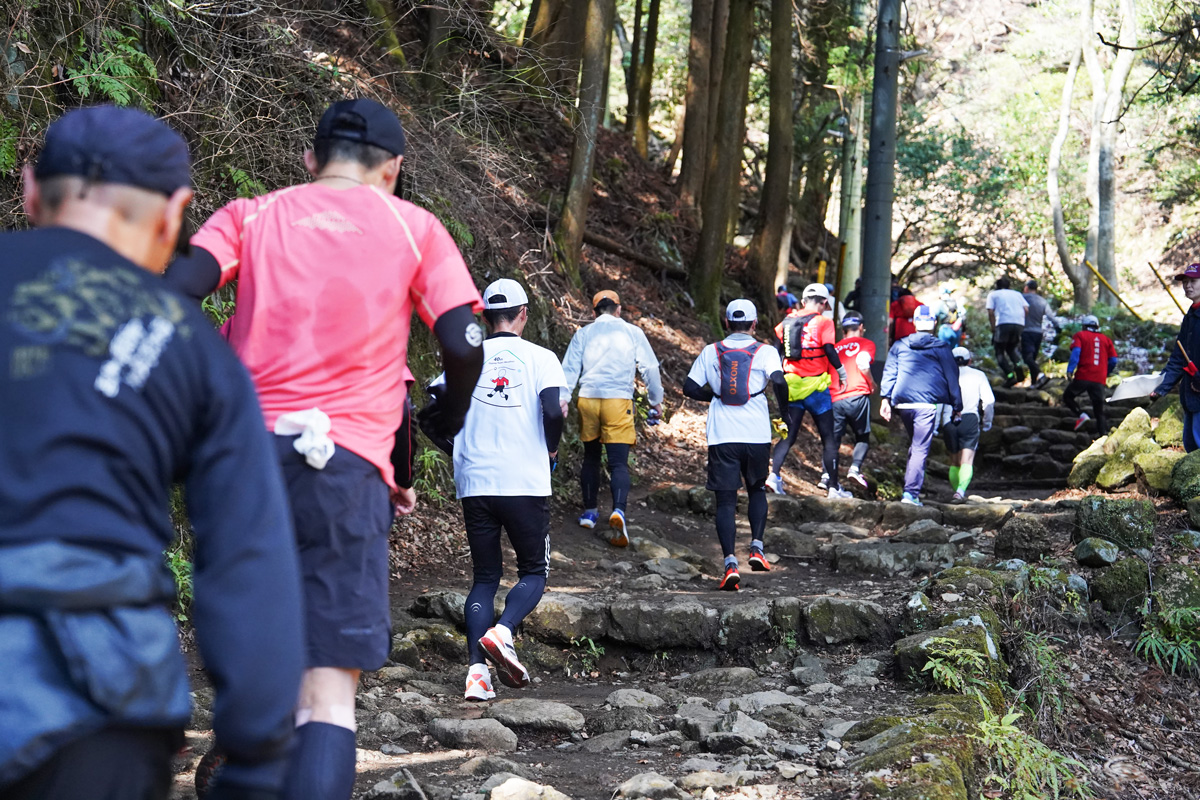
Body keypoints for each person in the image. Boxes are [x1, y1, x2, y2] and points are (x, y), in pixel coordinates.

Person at [170, 98, 485, 800]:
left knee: (252, 674)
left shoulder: (251, 215)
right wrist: (448, 418)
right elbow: (464, 342)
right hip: (344, 468)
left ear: (309, 160)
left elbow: (173, 291)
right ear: (395, 169)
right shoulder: (415, 229)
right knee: (325, 695)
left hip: (241, 461)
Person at [0, 106, 305, 800]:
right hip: (97, 703)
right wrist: (257, 757)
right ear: (175, 214)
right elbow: (246, 559)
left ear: (29, 189)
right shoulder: (189, 347)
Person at [426, 280, 566, 701]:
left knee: (485, 576)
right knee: (534, 572)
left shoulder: (466, 358)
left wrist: (458, 449)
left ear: (485, 317)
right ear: (524, 313)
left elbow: (430, 411)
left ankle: (476, 676)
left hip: (476, 482)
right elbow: (551, 409)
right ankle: (503, 633)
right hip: (524, 479)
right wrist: (552, 447)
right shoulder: (541, 358)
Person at [684, 299, 790, 590]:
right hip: (756, 435)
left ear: (727, 323)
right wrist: (785, 412)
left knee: (726, 500)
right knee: (756, 489)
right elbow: (779, 382)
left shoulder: (711, 351)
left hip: (722, 435)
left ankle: (730, 563)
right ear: (754, 324)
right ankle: (757, 547)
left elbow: (689, 387)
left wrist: (716, 397)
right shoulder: (765, 351)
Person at [561, 289, 663, 546]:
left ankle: (589, 512)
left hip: (588, 399)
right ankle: (618, 510)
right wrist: (656, 401)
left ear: (594, 312)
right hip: (618, 400)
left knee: (591, 457)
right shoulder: (631, 332)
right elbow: (649, 367)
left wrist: (562, 398)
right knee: (618, 463)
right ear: (618, 309)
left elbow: (569, 369)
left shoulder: (583, 333)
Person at [767, 284, 851, 499]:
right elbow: (829, 350)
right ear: (824, 303)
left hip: (792, 387)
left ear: (803, 301)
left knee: (788, 435)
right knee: (829, 439)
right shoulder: (824, 322)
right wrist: (841, 372)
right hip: (817, 389)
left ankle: (773, 476)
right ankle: (833, 487)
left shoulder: (785, 323)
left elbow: (776, 351)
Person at [880, 305, 962, 506]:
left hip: (903, 403)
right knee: (919, 448)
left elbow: (890, 372)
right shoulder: (941, 347)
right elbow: (952, 377)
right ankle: (910, 494)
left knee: (915, 445)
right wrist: (957, 405)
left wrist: (885, 399)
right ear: (934, 324)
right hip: (926, 404)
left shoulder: (900, 345)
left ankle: (912, 487)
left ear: (915, 323)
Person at [1151, 263, 1200, 450]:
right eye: (1185, 282)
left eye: (1193, 281)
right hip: (1191, 396)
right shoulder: (1191, 316)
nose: (1188, 285)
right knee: (1190, 446)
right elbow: (1179, 358)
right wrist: (1161, 387)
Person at [943, 348, 995, 503]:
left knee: (954, 460)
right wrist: (987, 421)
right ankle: (960, 492)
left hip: (949, 419)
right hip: (970, 418)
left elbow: (938, 401)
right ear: (969, 360)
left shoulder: (945, 375)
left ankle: (956, 491)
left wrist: (934, 425)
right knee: (967, 459)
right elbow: (989, 400)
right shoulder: (978, 375)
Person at [831, 313, 875, 489]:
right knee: (862, 436)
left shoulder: (834, 348)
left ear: (843, 331)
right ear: (862, 327)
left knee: (833, 439)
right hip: (857, 395)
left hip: (836, 397)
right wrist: (872, 384)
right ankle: (855, 469)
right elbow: (863, 363)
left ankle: (827, 475)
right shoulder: (867, 344)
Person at [1064, 314, 1117, 435]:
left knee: (1067, 396)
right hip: (1099, 379)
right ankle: (1103, 436)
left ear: (1084, 326)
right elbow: (1114, 360)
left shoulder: (1080, 335)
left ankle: (1081, 415)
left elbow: (1076, 352)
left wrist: (1070, 370)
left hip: (1083, 375)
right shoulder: (1106, 339)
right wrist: (1105, 372)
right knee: (1099, 410)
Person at [985, 277, 1029, 388]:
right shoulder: (1017, 294)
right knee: (1011, 349)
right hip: (1019, 323)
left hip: (1003, 323)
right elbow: (1026, 309)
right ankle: (1019, 370)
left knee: (999, 352)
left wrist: (993, 327)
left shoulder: (993, 295)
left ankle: (1010, 376)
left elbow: (990, 312)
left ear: (997, 286)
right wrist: (1021, 321)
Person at [1021, 279, 1063, 389]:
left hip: (1026, 331)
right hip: (1038, 333)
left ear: (1026, 288)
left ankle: (1041, 375)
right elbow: (1050, 316)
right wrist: (1057, 327)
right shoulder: (1042, 301)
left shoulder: (1022, 298)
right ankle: (1034, 384)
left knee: (1028, 358)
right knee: (1032, 358)